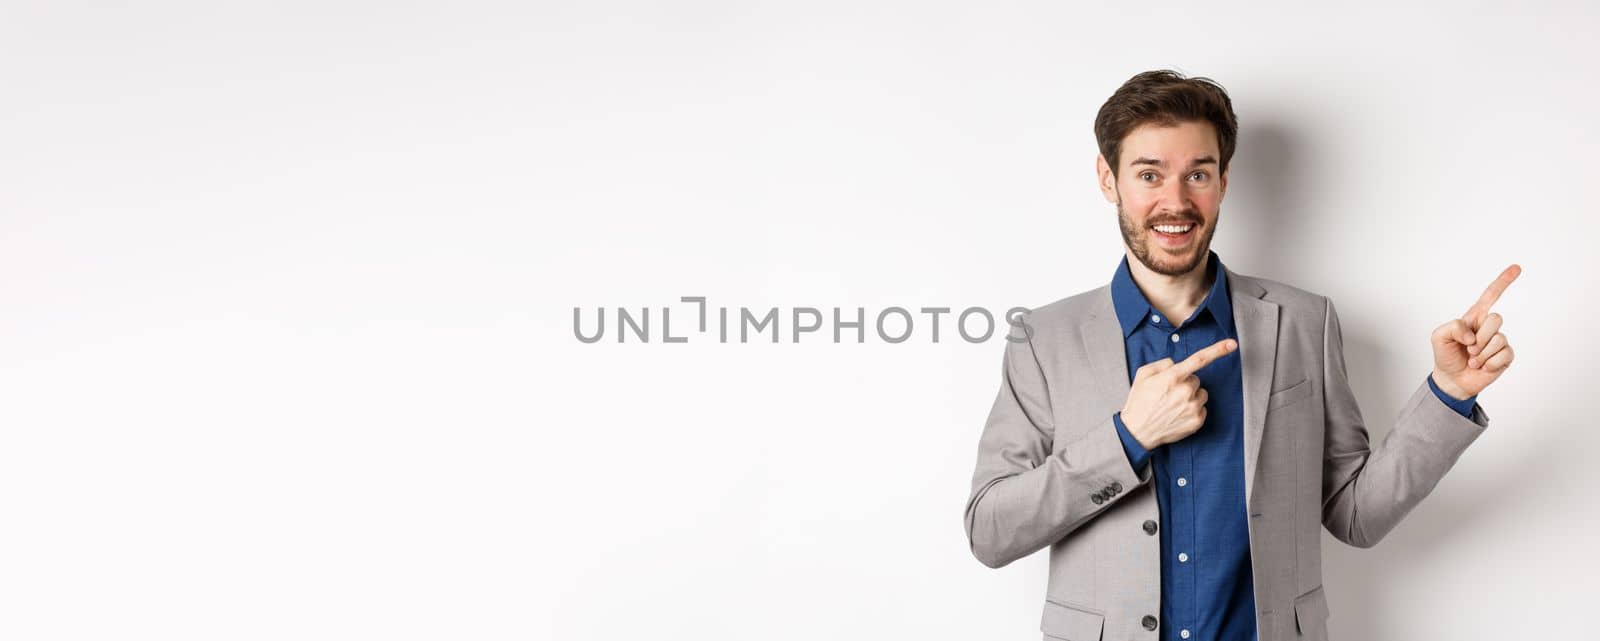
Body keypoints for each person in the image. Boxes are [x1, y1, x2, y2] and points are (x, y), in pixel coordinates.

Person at [961, 70, 1518, 641]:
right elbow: (990, 530)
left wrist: (1450, 392)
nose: (1175, 201)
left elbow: (1356, 515)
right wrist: (1129, 436)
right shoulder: (1045, 339)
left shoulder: (1305, 322)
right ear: (1108, 178)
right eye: (1149, 174)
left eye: (1196, 174)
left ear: (1223, 180)